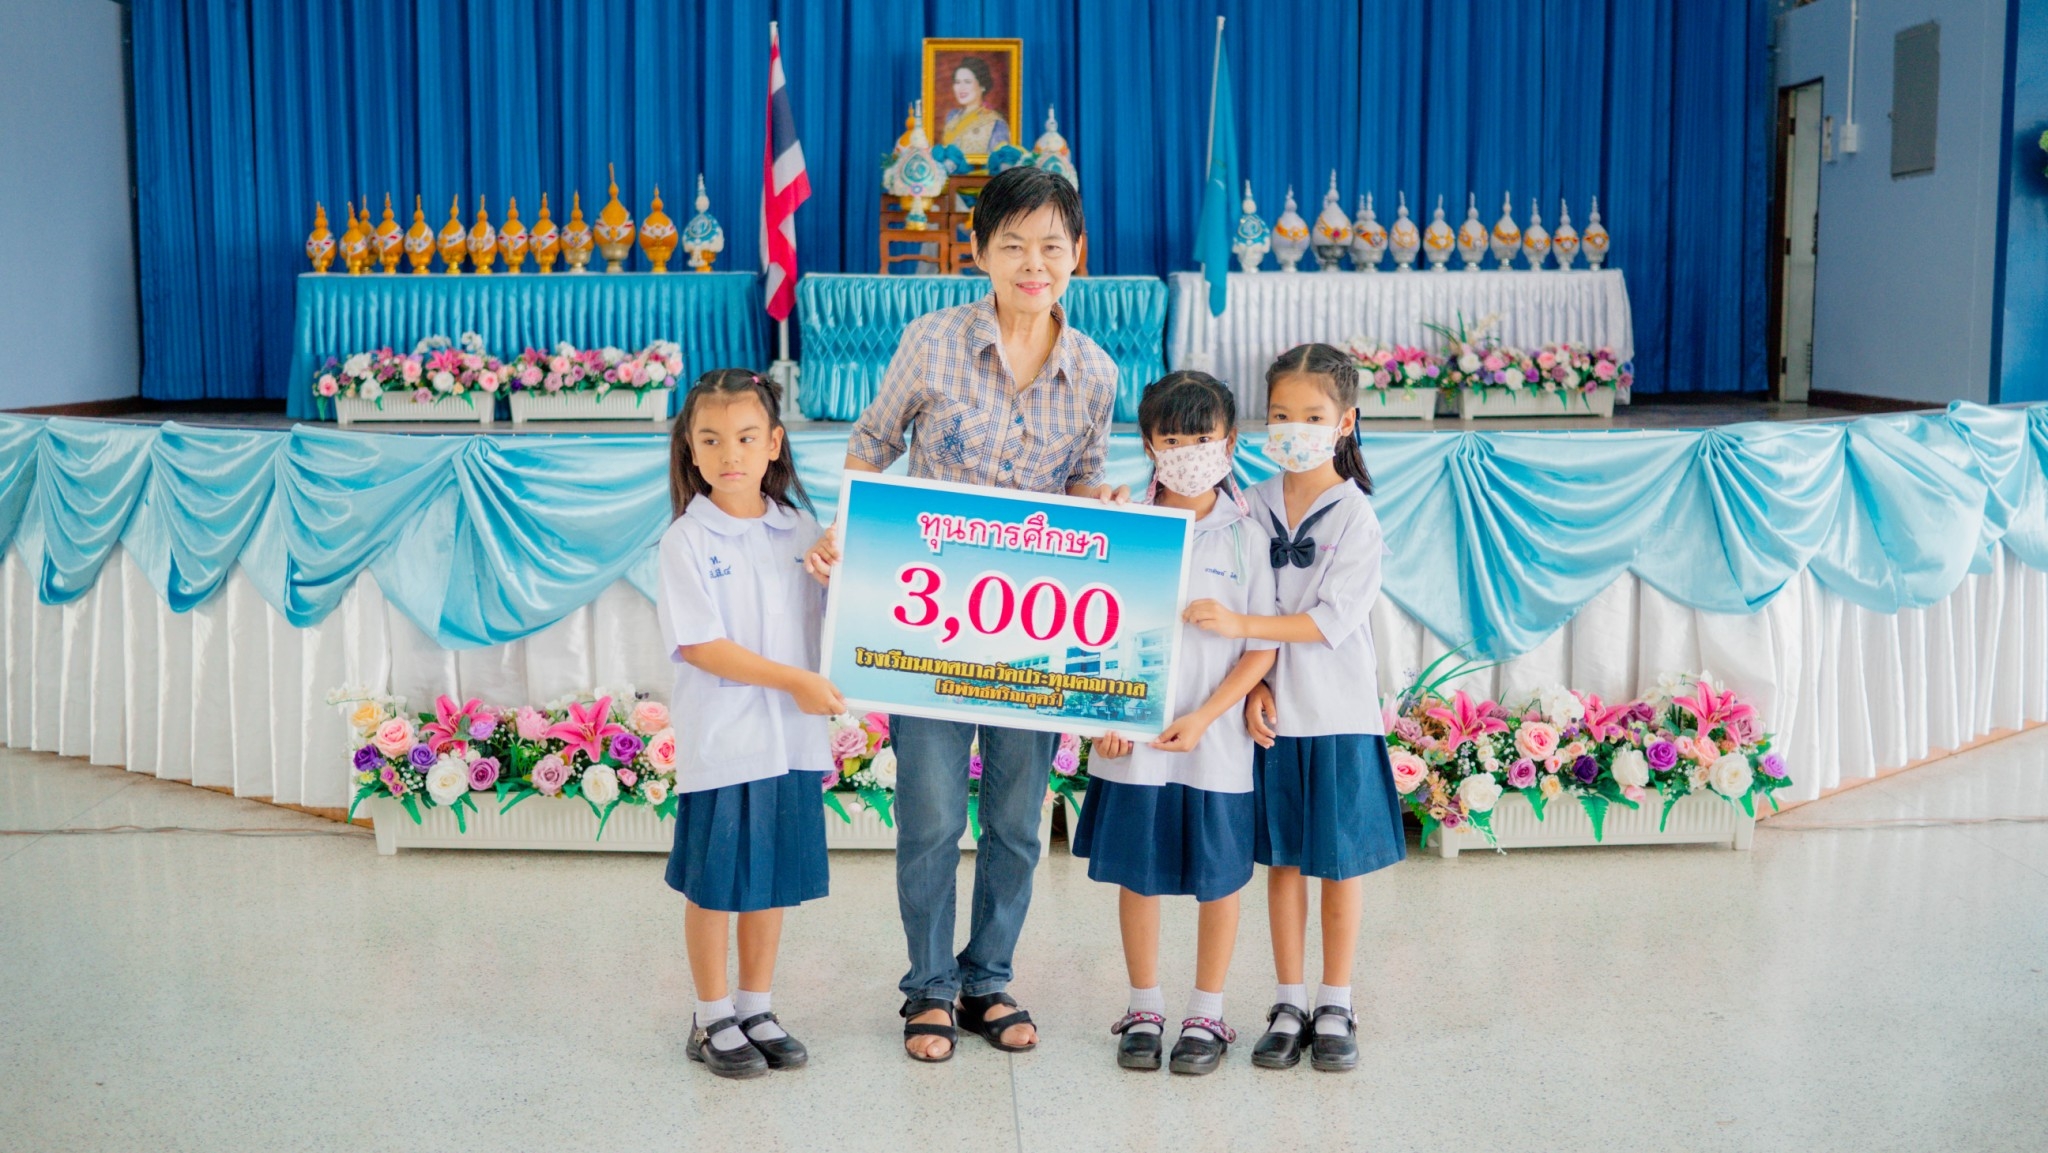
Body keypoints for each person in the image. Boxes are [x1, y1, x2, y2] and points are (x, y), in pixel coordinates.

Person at [806, 165, 1124, 1062]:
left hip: (1033, 635)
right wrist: (845, 526)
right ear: (979, 251)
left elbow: (1085, 483)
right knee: (934, 816)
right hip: (929, 626)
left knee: (1019, 821)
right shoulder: (932, 341)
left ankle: (989, 977)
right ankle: (929, 987)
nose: (1033, 264)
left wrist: (1108, 510)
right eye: (1012, 245)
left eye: (1051, 246)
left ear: (1077, 254)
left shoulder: (1095, 372)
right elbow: (873, 442)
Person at [1184, 342, 1406, 1074]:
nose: (1294, 429)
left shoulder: (1356, 518)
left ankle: (1336, 1000)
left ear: (1345, 422)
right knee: (1282, 862)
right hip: (1275, 716)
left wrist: (1242, 628)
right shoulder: (1250, 505)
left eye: (1313, 416)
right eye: (1281, 415)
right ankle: (1287, 1001)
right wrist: (1256, 685)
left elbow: (1328, 620)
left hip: (1338, 714)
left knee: (1337, 866)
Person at [1076, 371, 1277, 1076]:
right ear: (1148, 444)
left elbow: (1261, 647)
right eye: (1172, 438)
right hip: (1132, 738)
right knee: (1140, 874)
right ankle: (1143, 1007)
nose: (1189, 451)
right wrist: (1099, 714)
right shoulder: (1125, 524)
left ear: (1230, 440)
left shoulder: (1250, 531)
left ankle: (1207, 1012)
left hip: (1215, 739)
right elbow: (1087, 625)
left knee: (1220, 877)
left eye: (1202, 437)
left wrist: (1205, 717)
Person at [657, 369, 847, 1080]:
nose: (728, 453)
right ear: (690, 449)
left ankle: (756, 1006)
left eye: (744, 437)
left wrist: (838, 580)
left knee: (769, 880)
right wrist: (796, 681)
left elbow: (830, 620)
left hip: (789, 742)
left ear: (774, 443)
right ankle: (711, 1014)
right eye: (710, 440)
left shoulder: (800, 529)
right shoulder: (685, 540)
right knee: (715, 885)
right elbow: (702, 645)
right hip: (725, 742)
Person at [940, 56, 1011, 155]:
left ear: (982, 86)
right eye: (957, 82)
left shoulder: (995, 124)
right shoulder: (952, 117)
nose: (961, 88)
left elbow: (1000, 160)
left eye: (967, 82)